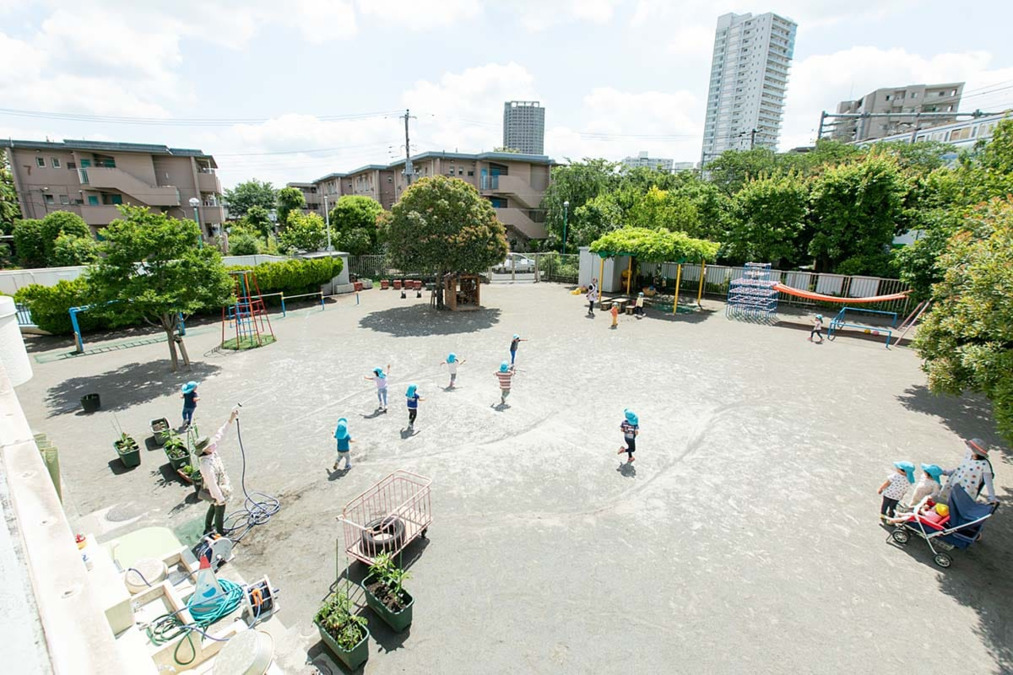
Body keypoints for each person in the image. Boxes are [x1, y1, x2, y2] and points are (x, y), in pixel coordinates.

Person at [197, 409, 238, 536]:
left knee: (213, 505)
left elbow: (220, 434)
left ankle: (208, 527)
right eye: (210, 445)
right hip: (216, 489)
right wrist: (220, 498)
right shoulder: (206, 465)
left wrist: (231, 419)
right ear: (205, 450)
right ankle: (220, 531)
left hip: (218, 486)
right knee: (219, 507)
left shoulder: (212, 453)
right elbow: (212, 483)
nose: (214, 445)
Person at [941, 438, 997, 503]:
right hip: (954, 486)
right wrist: (945, 472)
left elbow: (989, 483)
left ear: (975, 451)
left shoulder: (984, 465)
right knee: (948, 506)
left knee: (958, 508)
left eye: (969, 447)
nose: (967, 448)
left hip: (966, 492)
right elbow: (960, 470)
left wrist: (992, 498)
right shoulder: (969, 457)